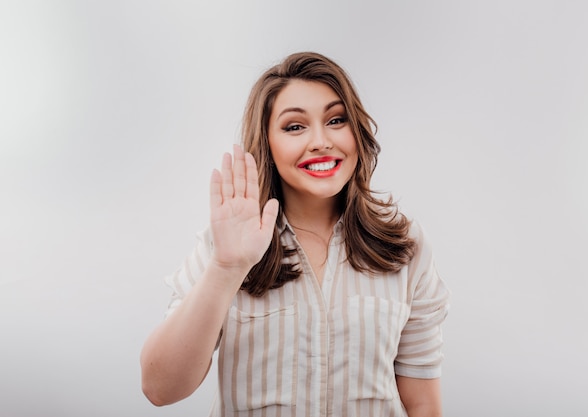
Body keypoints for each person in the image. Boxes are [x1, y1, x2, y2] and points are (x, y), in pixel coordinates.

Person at [140, 52, 449, 417]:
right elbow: (160, 388)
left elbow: (422, 404)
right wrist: (226, 267)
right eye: (294, 127)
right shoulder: (224, 246)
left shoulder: (406, 247)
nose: (320, 141)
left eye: (336, 120)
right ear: (267, 143)